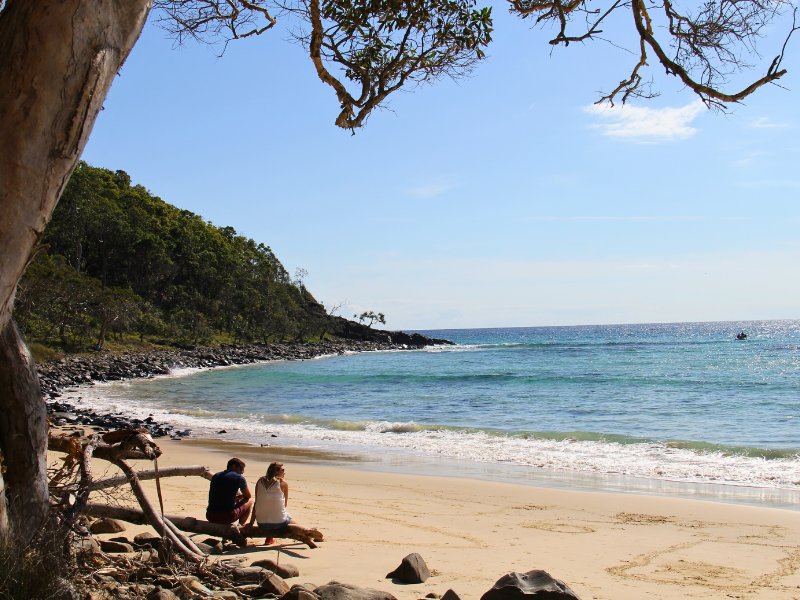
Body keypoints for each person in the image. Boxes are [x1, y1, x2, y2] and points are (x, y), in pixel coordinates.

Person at [247, 462, 298, 544]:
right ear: (277, 471)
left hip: (261, 523)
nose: (284, 472)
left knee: (270, 509)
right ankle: (308, 534)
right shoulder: (283, 484)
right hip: (278, 522)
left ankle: (269, 538)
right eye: (283, 470)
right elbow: (284, 505)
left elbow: (257, 504)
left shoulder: (259, 481)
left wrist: (251, 523)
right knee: (290, 520)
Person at [206, 457, 253, 526]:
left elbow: (220, 493)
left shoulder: (216, 476)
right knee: (249, 501)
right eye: (241, 468)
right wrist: (242, 497)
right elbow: (248, 495)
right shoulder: (239, 478)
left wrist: (234, 498)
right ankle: (240, 526)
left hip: (210, 515)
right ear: (233, 466)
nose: (242, 471)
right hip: (226, 517)